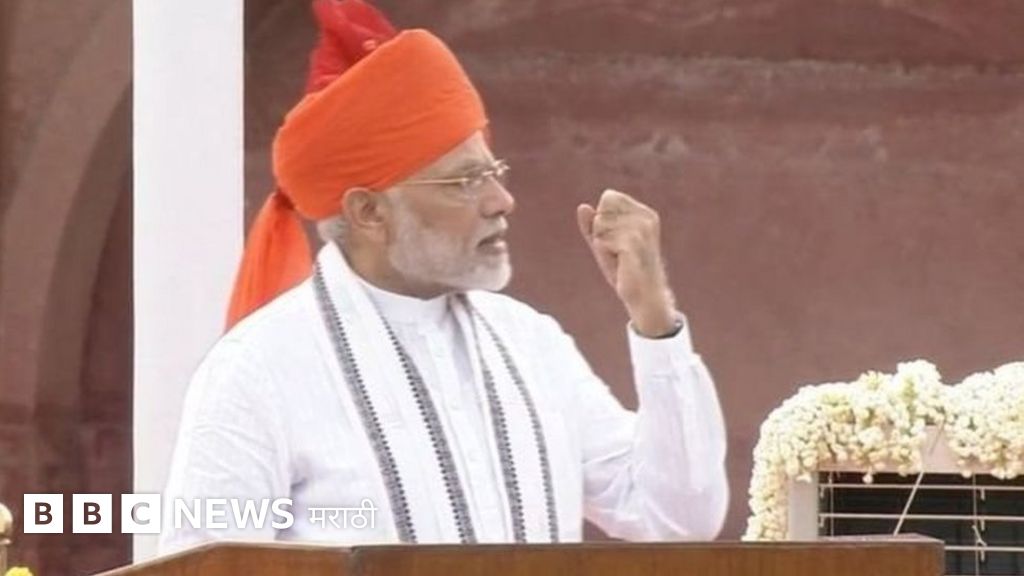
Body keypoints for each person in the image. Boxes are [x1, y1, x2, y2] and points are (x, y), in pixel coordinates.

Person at [159, 0, 727, 553]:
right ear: (369, 212)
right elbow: (207, 564)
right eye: (465, 181)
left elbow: (675, 521)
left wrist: (655, 320)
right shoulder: (258, 371)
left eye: (494, 171)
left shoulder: (529, 343)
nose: (501, 200)